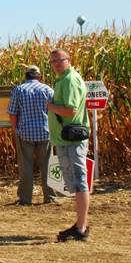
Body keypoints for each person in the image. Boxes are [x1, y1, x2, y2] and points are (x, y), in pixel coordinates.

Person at [47, 49, 91, 242]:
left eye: (60, 60)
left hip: (72, 140)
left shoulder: (69, 80)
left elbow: (70, 111)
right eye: (53, 61)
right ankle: (80, 223)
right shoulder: (63, 79)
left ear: (69, 60)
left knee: (80, 182)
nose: (56, 63)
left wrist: (50, 106)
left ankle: (81, 227)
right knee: (75, 182)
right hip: (65, 139)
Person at [7, 65, 57, 205]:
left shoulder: (19, 90)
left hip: (25, 133)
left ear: (26, 76)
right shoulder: (47, 89)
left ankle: (25, 199)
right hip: (45, 132)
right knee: (47, 165)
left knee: (26, 166)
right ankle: (50, 197)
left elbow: (12, 113)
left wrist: (16, 129)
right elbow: (55, 111)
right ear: (39, 76)